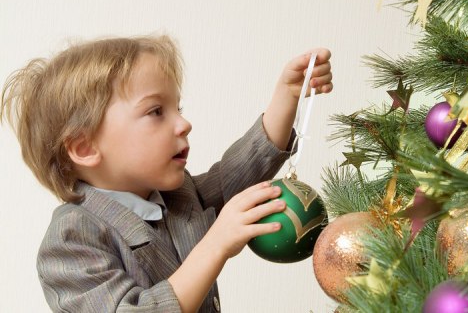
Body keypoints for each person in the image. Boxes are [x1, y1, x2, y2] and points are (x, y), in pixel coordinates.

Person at [0, 36, 333, 313]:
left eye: (179, 108)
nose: (184, 124)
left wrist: (287, 97)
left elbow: (237, 174)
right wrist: (214, 245)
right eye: (156, 111)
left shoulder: (178, 198)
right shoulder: (72, 240)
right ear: (85, 148)